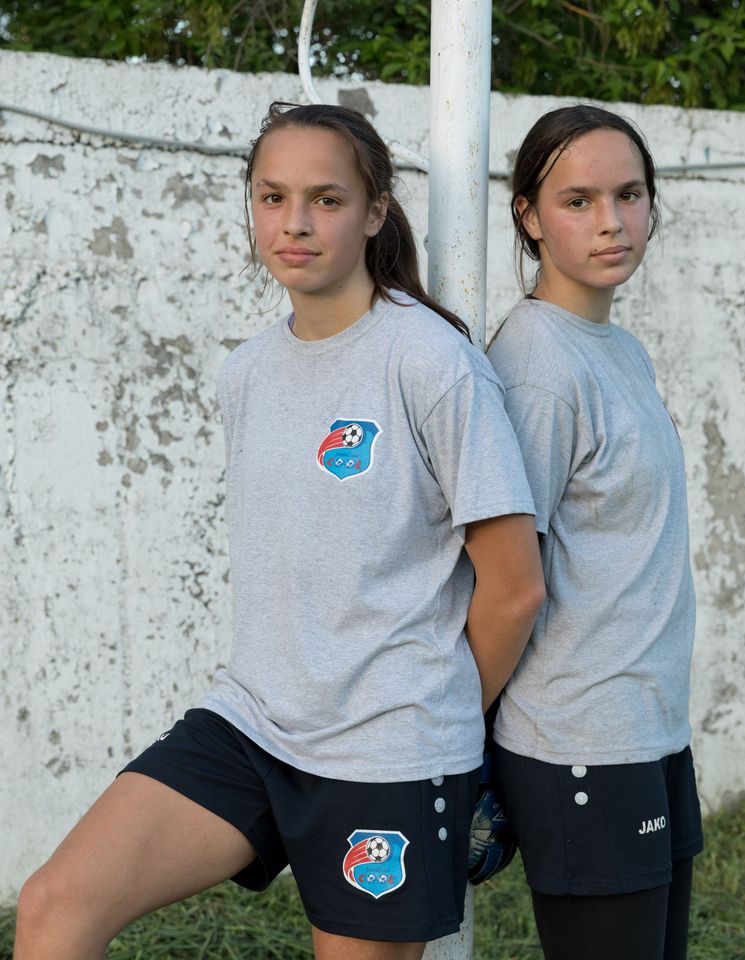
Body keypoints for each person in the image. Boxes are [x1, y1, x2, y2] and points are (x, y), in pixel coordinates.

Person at [14, 102, 544, 960]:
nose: (295, 222)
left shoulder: (430, 363)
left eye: (326, 200)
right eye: (273, 197)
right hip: (253, 721)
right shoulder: (248, 372)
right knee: (54, 907)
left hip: (385, 750)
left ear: (374, 212)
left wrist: (432, 725)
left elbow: (515, 589)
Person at [487, 104, 703, 960]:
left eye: (629, 194)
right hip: (581, 740)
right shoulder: (538, 366)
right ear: (531, 217)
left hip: (649, 729)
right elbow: (500, 577)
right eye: (578, 201)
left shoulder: (618, 348)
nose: (612, 220)